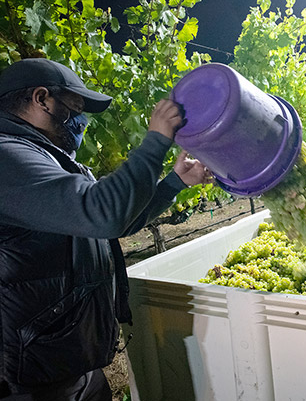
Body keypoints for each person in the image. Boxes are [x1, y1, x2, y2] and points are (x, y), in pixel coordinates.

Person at [0, 58, 213, 400]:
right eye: (76, 108)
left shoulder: (47, 158)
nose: (82, 121)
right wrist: (156, 140)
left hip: (68, 360)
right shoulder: (7, 159)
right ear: (42, 99)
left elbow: (110, 225)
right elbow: (103, 213)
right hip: (32, 382)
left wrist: (172, 184)